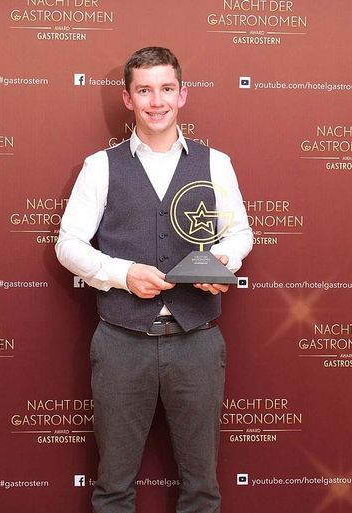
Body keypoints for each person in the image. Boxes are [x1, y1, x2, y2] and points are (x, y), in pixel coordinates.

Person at [56, 46, 253, 513]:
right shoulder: (100, 166)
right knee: (113, 487)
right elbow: (68, 245)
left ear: (182, 95)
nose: (156, 101)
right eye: (144, 90)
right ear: (128, 99)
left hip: (197, 341)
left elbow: (240, 233)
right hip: (121, 342)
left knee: (202, 488)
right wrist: (123, 274)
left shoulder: (216, 162)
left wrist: (220, 263)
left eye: (166, 89)